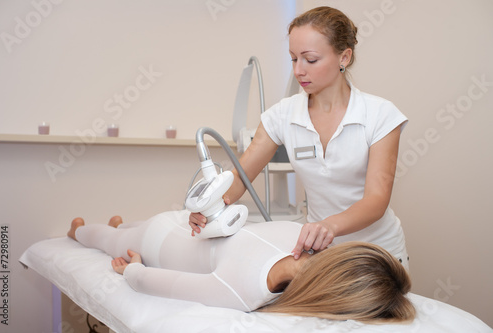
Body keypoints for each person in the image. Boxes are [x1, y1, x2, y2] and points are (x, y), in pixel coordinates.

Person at [189, 6, 410, 268]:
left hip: (378, 254)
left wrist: (328, 225)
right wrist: (210, 206)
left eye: (311, 59)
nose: (298, 71)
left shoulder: (380, 115)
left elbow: (376, 200)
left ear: (344, 57)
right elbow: (240, 176)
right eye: (294, 59)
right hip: (322, 255)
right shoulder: (282, 115)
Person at [67, 210, 415, 323]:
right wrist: (132, 268)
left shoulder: (302, 234)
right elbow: (146, 282)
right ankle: (78, 230)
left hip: (178, 223)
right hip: (153, 243)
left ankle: (115, 226)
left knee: (117, 234)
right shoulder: (242, 292)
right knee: (108, 242)